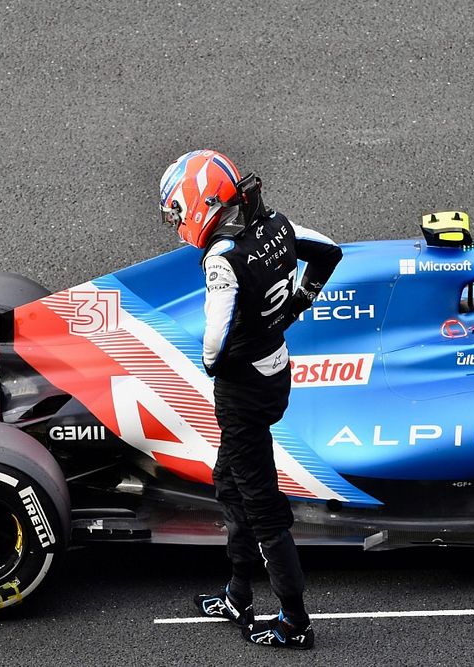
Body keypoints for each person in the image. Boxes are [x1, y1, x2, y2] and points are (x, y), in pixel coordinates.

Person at [159, 150, 342, 649]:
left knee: (261, 507)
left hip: (244, 392)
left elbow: (214, 346)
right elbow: (329, 252)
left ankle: (295, 622)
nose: (177, 222)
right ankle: (238, 595)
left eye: (178, 211)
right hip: (275, 368)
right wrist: (300, 301)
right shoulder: (279, 225)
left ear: (201, 203)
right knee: (231, 486)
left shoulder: (222, 259)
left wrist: (216, 367)